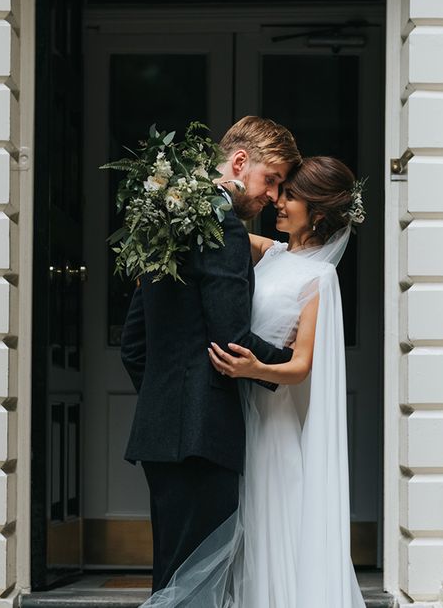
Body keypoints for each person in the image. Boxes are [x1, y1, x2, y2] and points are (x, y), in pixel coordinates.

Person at [142, 156, 367, 607]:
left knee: (273, 525)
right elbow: (216, 230)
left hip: (273, 420)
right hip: (237, 413)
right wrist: (172, 196)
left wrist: (254, 369)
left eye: (291, 196)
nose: (278, 202)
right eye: (280, 191)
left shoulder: (320, 279)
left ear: (318, 214)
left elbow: (302, 365)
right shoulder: (273, 252)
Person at [120, 116, 303, 593]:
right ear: (240, 163)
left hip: (161, 432)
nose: (272, 196)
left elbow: (134, 345)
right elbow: (232, 337)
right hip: (204, 435)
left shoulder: (164, 217)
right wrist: (297, 359)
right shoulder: (224, 228)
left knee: (174, 580)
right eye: (271, 180)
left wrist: (170, 397)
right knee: (198, 585)